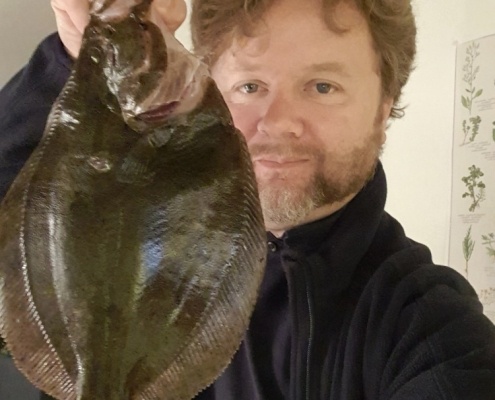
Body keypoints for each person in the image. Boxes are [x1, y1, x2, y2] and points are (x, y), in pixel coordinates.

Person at [0, 0, 494, 399]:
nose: (278, 122)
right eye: (250, 86)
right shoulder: (132, 173)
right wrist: (78, 55)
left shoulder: (425, 327)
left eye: (323, 86)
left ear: (384, 109)